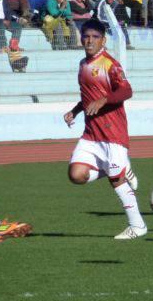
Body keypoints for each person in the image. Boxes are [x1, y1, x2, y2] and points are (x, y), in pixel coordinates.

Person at [63, 19, 145, 240]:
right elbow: (88, 97)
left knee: (115, 180)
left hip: (112, 131)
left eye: (95, 37)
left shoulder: (110, 63)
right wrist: (75, 110)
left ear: (103, 40)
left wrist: (104, 100)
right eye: (86, 36)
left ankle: (137, 225)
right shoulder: (83, 64)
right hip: (91, 133)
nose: (89, 40)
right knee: (76, 174)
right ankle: (119, 168)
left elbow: (127, 90)